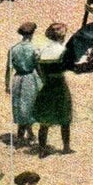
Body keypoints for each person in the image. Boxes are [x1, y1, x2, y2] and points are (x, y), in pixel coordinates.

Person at [32, 23, 73, 154]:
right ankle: (66, 147)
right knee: (65, 117)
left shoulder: (42, 50)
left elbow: (38, 69)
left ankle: (42, 149)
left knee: (45, 119)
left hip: (47, 85)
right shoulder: (63, 51)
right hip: (60, 84)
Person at [6, 22, 41, 146]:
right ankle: (23, 135)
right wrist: (43, 79)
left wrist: (7, 84)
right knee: (30, 106)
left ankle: (28, 133)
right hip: (30, 78)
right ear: (32, 34)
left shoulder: (13, 49)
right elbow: (38, 66)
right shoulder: (34, 49)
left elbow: (8, 68)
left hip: (17, 78)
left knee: (20, 106)